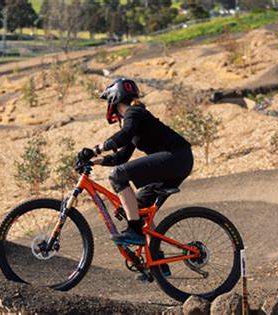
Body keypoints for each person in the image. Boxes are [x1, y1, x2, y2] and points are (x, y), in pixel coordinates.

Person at [78, 78, 194, 245]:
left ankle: (134, 231)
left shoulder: (134, 112)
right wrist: (94, 162)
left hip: (176, 157)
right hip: (178, 161)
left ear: (114, 100)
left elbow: (124, 136)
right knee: (138, 210)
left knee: (118, 175)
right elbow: (121, 157)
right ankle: (157, 262)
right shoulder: (137, 120)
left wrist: (95, 149)